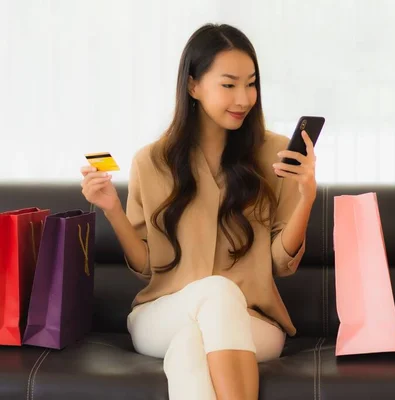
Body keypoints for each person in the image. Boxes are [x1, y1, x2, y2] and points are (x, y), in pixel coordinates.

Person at [80, 23, 316, 400]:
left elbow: (280, 263)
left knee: (191, 344)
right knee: (212, 299)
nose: (244, 97)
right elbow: (145, 265)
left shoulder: (275, 156)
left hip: (253, 320)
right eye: (228, 84)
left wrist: (306, 197)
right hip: (163, 314)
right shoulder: (151, 161)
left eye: (251, 83)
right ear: (193, 86)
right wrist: (111, 209)